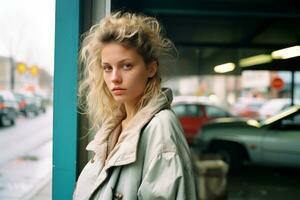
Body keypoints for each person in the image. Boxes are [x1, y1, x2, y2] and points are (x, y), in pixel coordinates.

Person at [74, 12, 198, 200]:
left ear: (151, 69)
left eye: (126, 66)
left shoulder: (161, 127)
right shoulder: (114, 125)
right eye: (107, 68)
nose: (114, 78)